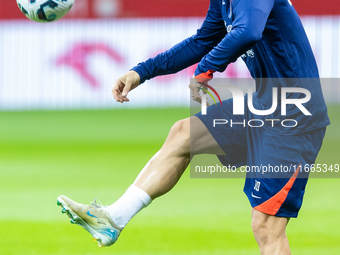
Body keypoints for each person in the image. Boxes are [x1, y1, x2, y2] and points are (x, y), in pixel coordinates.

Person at [57, 0, 330, 254]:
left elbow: (248, 31)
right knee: (183, 134)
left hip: (295, 115)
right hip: (265, 104)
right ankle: (114, 219)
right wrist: (142, 71)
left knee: (266, 227)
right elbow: (201, 41)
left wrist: (206, 69)